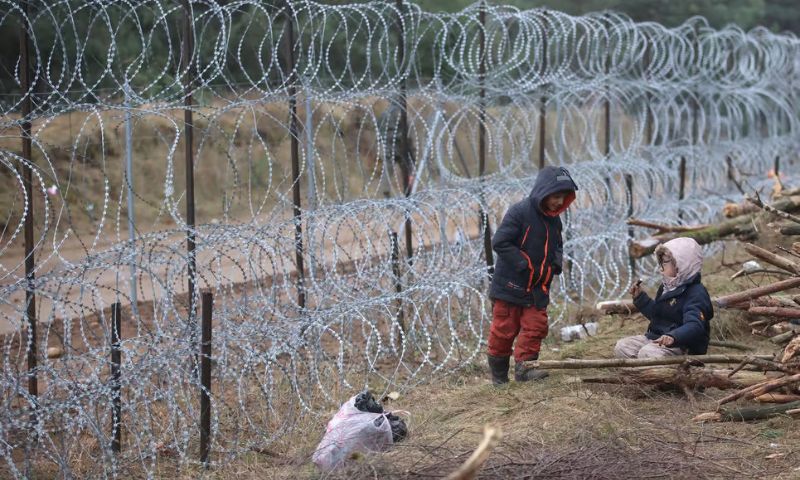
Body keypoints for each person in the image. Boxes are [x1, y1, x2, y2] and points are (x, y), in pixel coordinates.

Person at [486, 166, 579, 384]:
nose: (559, 202)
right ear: (544, 191)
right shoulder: (520, 212)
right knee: (504, 331)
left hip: (538, 287)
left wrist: (555, 265)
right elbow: (500, 242)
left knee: (535, 327)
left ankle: (525, 370)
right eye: (556, 196)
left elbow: (557, 246)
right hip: (510, 286)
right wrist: (523, 264)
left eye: (563, 197)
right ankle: (499, 377)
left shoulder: (555, 221)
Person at [614, 237, 714, 359]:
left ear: (681, 264)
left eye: (665, 263)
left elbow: (694, 325)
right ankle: (643, 374)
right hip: (658, 338)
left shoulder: (696, 293)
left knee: (648, 353)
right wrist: (641, 298)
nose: (661, 268)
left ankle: (656, 373)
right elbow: (658, 316)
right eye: (660, 263)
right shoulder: (667, 287)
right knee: (622, 347)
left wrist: (674, 336)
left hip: (682, 345)